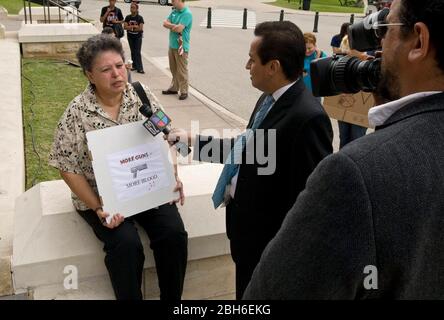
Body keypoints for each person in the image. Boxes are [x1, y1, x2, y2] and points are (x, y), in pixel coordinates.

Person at [244, 0, 444, 299]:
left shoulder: (351, 170)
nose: (379, 48)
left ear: (419, 41)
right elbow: (251, 150)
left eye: (386, 30)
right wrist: (194, 143)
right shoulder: (265, 102)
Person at [167, 21, 333, 299]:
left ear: (273, 66)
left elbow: (313, 201)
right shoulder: (269, 98)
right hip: (246, 238)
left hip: (271, 250)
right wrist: (193, 141)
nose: (246, 66)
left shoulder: (308, 118)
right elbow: (250, 150)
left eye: (252, 60)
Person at [49, 34, 188, 300]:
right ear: (90, 75)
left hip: (146, 187)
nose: (117, 74)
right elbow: (67, 167)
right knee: (125, 244)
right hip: (102, 197)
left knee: (173, 235)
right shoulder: (77, 112)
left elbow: (164, 136)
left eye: (120, 65)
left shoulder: (141, 96)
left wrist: (173, 176)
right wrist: (99, 208)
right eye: (106, 69)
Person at [336, 31, 370, 148]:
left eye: (349, 51)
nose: (347, 54)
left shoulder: (368, 63)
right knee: (344, 138)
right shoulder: (342, 62)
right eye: (345, 52)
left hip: (360, 108)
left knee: (357, 139)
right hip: (344, 105)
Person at [162, 0, 193, 101]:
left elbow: (179, 29)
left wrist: (171, 26)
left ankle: (184, 91)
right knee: (173, 68)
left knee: (182, 70)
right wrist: (173, 26)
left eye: (173, 0)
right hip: (172, 45)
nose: (171, 2)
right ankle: (174, 88)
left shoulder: (187, 14)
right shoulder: (174, 11)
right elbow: (164, 23)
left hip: (181, 47)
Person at [124, 2, 145, 74]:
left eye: (133, 7)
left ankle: (140, 68)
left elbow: (140, 28)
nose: (131, 9)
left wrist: (130, 28)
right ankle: (134, 66)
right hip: (130, 37)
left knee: (137, 52)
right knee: (132, 51)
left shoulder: (140, 18)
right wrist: (133, 27)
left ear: (137, 9)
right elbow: (125, 27)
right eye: (131, 7)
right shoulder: (128, 17)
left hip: (138, 37)